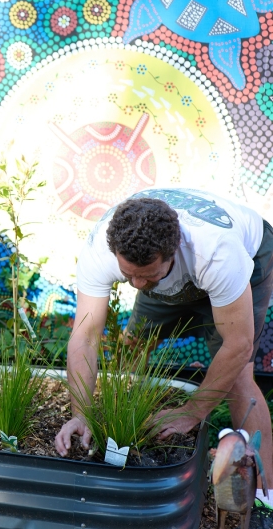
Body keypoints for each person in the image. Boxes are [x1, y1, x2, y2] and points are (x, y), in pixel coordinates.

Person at [54, 188, 273, 511]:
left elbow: (238, 346)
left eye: (147, 275)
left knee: (239, 379)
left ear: (173, 251)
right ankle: (126, 430)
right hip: (175, 274)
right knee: (131, 351)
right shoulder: (101, 247)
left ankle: (266, 495)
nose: (138, 286)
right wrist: (81, 413)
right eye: (129, 276)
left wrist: (191, 412)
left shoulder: (216, 252)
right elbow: (85, 336)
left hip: (247, 260)